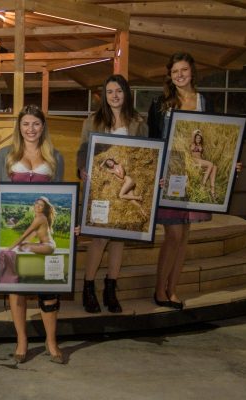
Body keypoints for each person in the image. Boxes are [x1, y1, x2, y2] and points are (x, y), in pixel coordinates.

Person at [0, 104, 66, 364]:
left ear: (43, 127)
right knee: (16, 286)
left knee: (48, 288)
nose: (31, 129)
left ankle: (51, 341)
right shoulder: (5, 155)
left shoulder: (55, 156)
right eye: (26, 124)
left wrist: (71, 224)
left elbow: (60, 199)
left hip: (43, 233)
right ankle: (22, 340)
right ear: (19, 127)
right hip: (11, 228)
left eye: (36, 124)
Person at [76, 74, 148, 314]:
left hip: (124, 184)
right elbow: (83, 151)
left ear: (126, 93)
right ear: (104, 96)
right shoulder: (92, 121)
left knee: (118, 239)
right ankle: (88, 288)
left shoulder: (138, 122)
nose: (114, 96)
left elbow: (145, 155)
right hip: (101, 188)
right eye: (109, 92)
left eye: (118, 91)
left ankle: (110, 289)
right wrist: (82, 168)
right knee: (99, 239)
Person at [147, 53, 213, 310]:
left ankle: (172, 289)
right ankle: (159, 290)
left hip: (194, 175)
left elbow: (212, 136)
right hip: (170, 175)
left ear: (192, 72)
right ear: (170, 75)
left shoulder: (204, 102)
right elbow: (153, 141)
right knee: (173, 234)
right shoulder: (160, 104)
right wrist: (155, 175)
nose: (179, 75)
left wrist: (230, 164)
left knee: (184, 235)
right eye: (175, 71)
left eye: (183, 70)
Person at [190, 129, 217, 201]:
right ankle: (203, 184)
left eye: (199, 138)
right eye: (197, 138)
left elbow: (201, 155)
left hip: (200, 161)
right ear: (194, 138)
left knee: (214, 167)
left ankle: (212, 189)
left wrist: (200, 135)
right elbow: (193, 134)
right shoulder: (193, 143)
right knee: (211, 164)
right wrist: (198, 131)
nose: (198, 139)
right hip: (195, 160)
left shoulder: (200, 145)